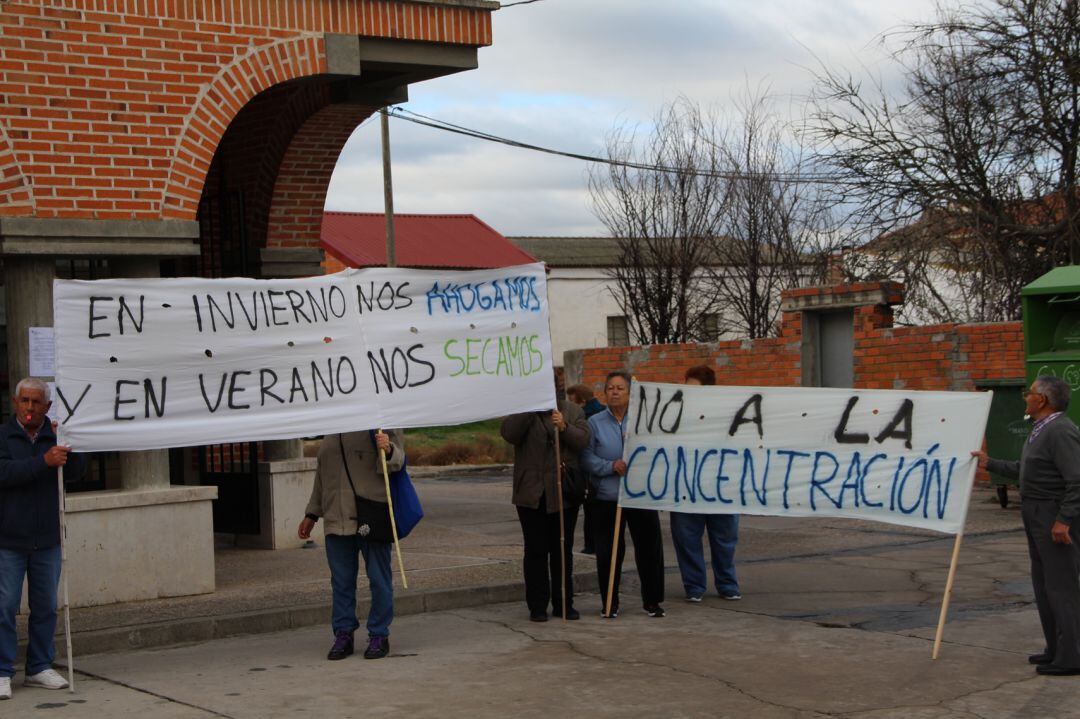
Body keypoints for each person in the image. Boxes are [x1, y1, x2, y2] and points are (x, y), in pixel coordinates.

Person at [972, 375, 1080, 676]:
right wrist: (989, 463)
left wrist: (1063, 521)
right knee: (1045, 585)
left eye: (1029, 393)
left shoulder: (1060, 431)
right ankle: (1055, 649)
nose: (1026, 397)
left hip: (1052, 515)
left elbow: (1077, 479)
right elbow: (1026, 470)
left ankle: (1072, 656)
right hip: (1035, 514)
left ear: (1042, 400)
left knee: (1062, 587)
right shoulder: (1040, 429)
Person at [0, 378, 86, 699]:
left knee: (46, 606)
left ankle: (38, 665)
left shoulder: (54, 434)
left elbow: (77, 472)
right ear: (15, 402)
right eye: (25, 401)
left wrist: (72, 443)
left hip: (47, 537)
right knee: (5, 606)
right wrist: (42, 462)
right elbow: (5, 473)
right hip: (9, 538)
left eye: (37, 403)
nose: (30, 408)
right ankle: (2, 669)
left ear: (47, 407)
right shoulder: (4, 436)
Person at [299, 429, 403, 661]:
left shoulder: (378, 424)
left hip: (372, 516)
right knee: (341, 583)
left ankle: (379, 634)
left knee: (379, 579)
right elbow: (321, 477)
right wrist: (312, 513)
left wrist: (388, 449)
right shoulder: (330, 432)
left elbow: (398, 461)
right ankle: (343, 634)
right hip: (336, 519)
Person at [582, 371, 666, 618]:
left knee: (649, 551)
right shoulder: (595, 422)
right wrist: (610, 467)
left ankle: (652, 602)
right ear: (605, 393)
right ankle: (610, 602)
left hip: (640, 496)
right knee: (608, 554)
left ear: (630, 393)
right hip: (607, 498)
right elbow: (586, 458)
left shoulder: (644, 419)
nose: (615, 392)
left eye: (620, 388)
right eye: (610, 388)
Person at [501, 396, 590, 622]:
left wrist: (564, 427)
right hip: (531, 494)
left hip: (563, 494)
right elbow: (509, 434)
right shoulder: (522, 408)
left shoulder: (572, 410)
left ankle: (563, 603)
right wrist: (529, 411)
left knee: (562, 550)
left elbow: (583, 441)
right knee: (535, 551)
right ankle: (537, 605)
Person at [670, 365, 741, 602]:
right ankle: (694, 586)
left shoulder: (728, 413)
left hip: (722, 488)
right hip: (686, 488)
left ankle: (727, 584)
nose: (689, 393)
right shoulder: (677, 414)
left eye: (695, 389)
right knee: (687, 539)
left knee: (724, 540)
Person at [566, 383, 605, 554]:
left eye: (571, 400)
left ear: (580, 401)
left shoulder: (586, 416)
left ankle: (591, 546)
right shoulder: (603, 410)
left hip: (589, 471)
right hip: (596, 469)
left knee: (591, 511)